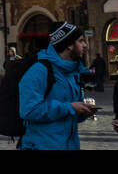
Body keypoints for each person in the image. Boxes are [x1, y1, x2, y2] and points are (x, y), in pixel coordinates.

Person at [19, 22, 95, 150]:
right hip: (41, 146)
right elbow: (29, 110)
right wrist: (70, 107)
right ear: (69, 45)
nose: (85, 45)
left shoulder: (72, 72)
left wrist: (82, 111)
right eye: (81, 41)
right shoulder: (39, 71)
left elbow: (69, 116)